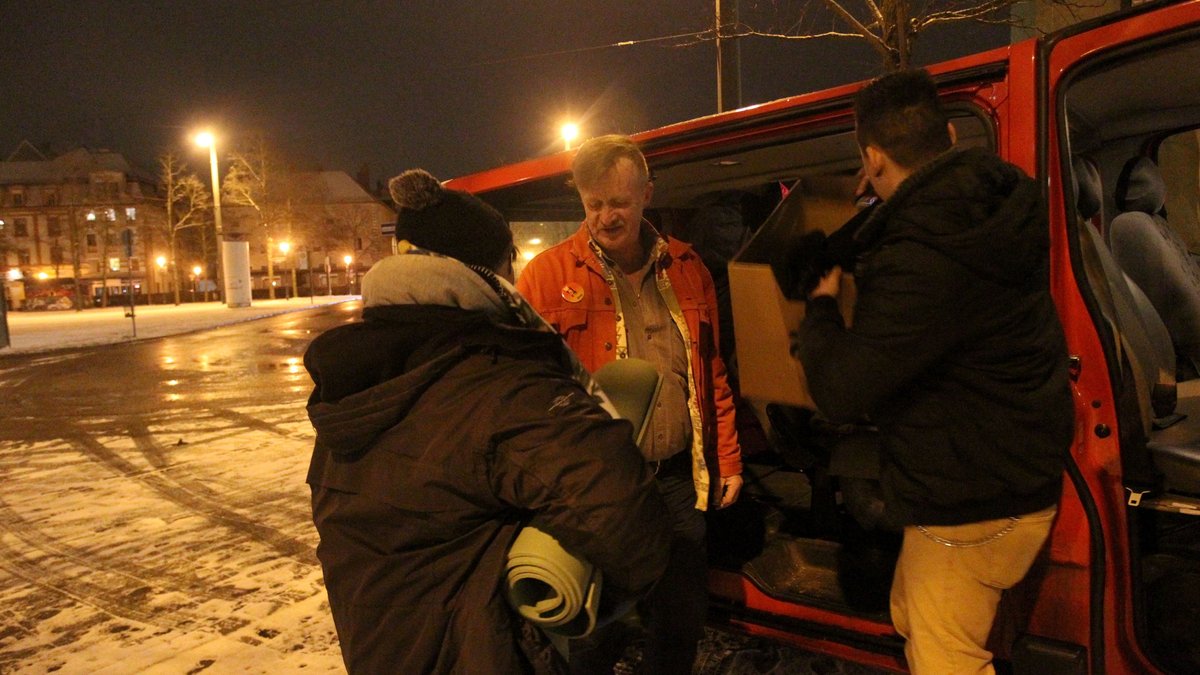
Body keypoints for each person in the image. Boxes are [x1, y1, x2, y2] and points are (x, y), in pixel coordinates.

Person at [304, 168, 671, 674]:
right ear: (489, 272)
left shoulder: (357, 377)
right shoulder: (497, 381)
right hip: (487, 653)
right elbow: (628, 521)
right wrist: (592, 608)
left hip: (380, 650)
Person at [794, 69, 1074, 674]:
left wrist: (820, 304)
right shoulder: (995, 207)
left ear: (870, 156)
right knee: (909, 613)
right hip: (1020, 474)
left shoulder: (919, 255)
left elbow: (840, 391)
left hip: (968, 504)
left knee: (946, 660)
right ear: (949, 133)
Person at [517, 134, 744, 674]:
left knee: (681, 619)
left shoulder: (689, 268)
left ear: (647, 193)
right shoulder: (547, 276)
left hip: (676, 479)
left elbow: (709, 370)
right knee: (594, 630)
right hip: (596, 488)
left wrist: (727, 457)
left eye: (618, 202)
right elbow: (524, 389)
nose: (605, 217)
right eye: (593, 204)